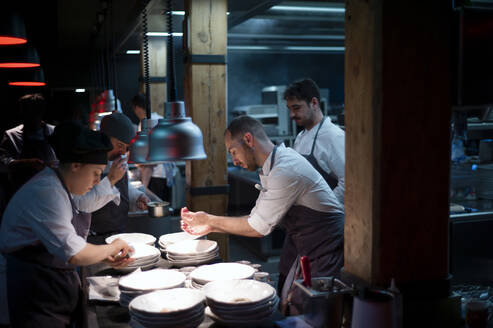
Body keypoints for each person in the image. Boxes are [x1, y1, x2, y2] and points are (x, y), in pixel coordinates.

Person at [181, 115, 344, 314]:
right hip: (308, 249)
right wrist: (210, 225)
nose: (234, 160)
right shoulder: (274, 166)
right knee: (292, 306)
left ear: (249, 140)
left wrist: (209, 221)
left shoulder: (285, 168)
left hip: (326, 252)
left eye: (234, 151)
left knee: (312, 314)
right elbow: (254, 218)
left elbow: (258, 228)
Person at [0, 121, 134, 327]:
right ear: (76, 166)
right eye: (96, 173)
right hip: (36, 291)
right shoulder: (47, 192)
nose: (97, 182)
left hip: (51, 287)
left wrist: (103, 255)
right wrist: (113, 247)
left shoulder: (58, 185)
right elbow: (75, 254)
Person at [86, 112, 150, 244]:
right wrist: (110, 179)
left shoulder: (116, 158)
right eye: (119, 145)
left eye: (126, 148)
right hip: (93, 240)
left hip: (119, 235)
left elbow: (122, 186)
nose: (122, 152)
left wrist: (137, 196)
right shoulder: (88, 163)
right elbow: (84, 204)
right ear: (104, 137)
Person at [284, 78, 345, 204]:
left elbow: (349, 183)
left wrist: (324, 208)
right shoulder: (300, 137)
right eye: (289, 109)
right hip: (307, 215)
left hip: (328, 218)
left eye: (296, 108)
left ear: (314, 103)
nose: (291, 114)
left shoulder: (334, 136)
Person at [0, 93, 57, 195]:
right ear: (21, 112)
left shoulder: (55, 132)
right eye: (27, 112)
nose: (32, 116)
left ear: (42, 111)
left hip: (52, 188)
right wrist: (28, 163)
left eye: (35, 112)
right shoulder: (11, 135)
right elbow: (3, 162)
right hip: (21, 190)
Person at [131, 94, 176, 202]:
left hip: (155, 174)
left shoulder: (144, 124)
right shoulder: (161, 119)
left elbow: (145, 154)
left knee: (155, 208)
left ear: (136, 108)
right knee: (165, 206)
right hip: (168, 173)